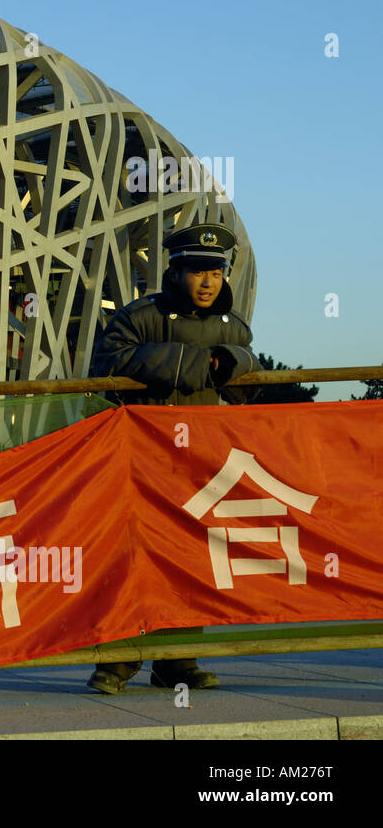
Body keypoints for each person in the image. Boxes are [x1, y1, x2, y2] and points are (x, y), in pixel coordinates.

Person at [85, 222, 258, 695]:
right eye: (197, 271)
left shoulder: (234, 326)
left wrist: (235, 362)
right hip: (143, 461)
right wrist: (191, 363)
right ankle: (118, 661)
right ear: (174, 271)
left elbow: (252, 375)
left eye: (216, 271)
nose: (208, 282)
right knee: (133, 558)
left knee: (191, 562)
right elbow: (106, 366)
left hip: (203, 464)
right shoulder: (140, 317)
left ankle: (177, 662)